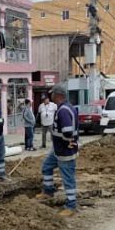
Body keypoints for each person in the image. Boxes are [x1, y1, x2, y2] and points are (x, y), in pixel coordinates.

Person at [37, 86, 79, 217]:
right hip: (58, 150)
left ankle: (71, 206)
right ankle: (48, 191)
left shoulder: (63, 111)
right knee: (46, 167)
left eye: (53, 94)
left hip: (65, 151)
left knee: (68, 178)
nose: (51, 96)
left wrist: (67, 142)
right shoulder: (64, 107)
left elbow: (67, 131)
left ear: (58, 95)